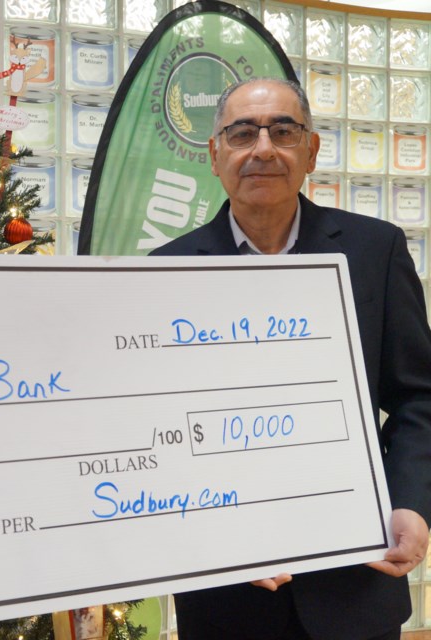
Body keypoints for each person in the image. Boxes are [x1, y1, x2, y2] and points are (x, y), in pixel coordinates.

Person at [151, 77, 431, 639]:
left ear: (311, 151)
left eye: (283, 131)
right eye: (241, 133)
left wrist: (411, 504)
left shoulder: (375, 250)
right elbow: (156, 427)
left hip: (356, 579)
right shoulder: (165, 270)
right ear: (215, 154)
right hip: (225, 592)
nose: (262, 149)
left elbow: (417, 397)